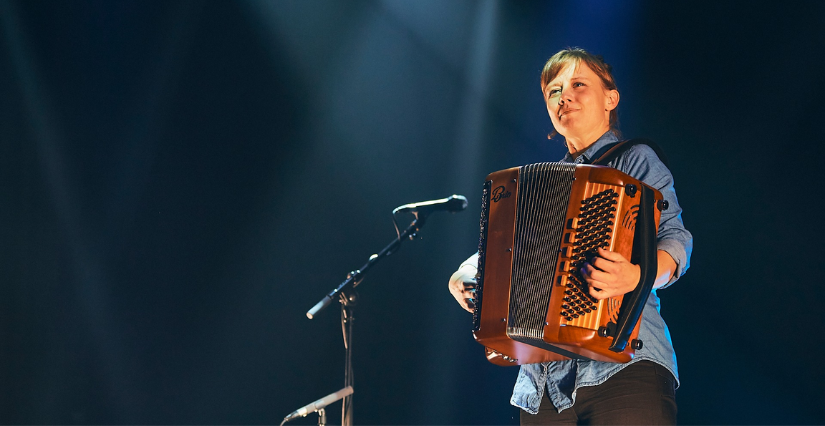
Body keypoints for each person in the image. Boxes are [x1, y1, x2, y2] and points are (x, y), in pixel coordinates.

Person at [448, 48, 693, 425]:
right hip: (541, 383)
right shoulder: (535, 183)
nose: (565, 96)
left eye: (579, 84)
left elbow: (676, 239)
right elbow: (497, 248)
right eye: (554, 90)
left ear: (611, 99)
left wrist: (637, 276)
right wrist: (463, 275)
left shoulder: (635, 159)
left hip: (624, 364)